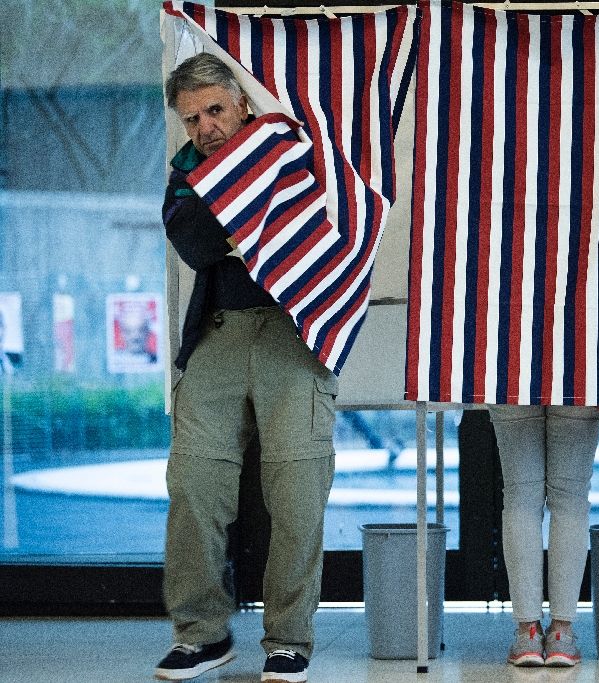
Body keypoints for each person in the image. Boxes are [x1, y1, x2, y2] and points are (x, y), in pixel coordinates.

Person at [157, 53, 338, 683]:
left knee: (297, 494)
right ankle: (201, 636)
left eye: (214, 110)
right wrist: (253, 222)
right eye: (192, 119)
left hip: (295, 335)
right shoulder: (186, 169)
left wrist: (242, 218)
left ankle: (289, 640)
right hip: (217, 335)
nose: (205, 127)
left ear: (242, 104)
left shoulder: (294, 148)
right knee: (194, 487)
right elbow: (194, 241)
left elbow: (316, 223)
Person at [488, 404, 599, 667]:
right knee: (570, 498)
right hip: (579, 367)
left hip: (512, 366)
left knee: (521, 497)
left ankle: (527, 635)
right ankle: (561, 635)